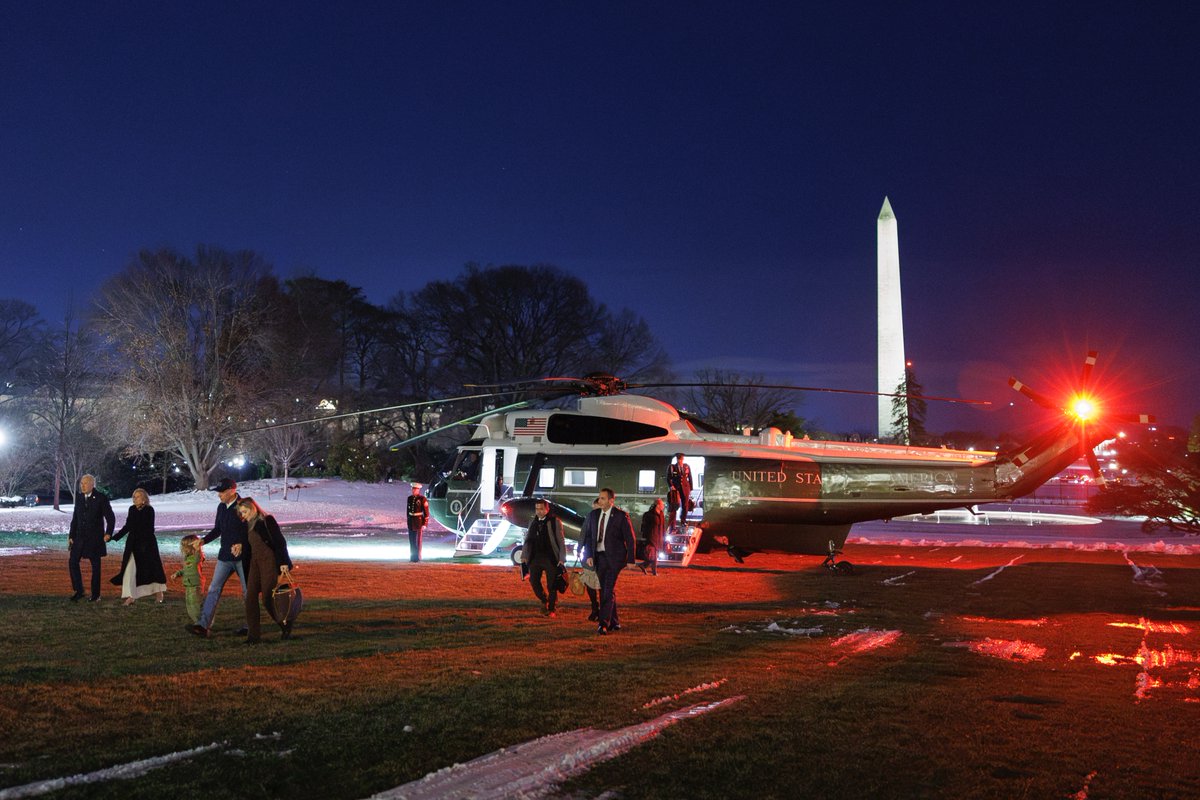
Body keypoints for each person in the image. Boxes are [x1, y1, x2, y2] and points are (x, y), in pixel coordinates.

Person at [189, 478, 249, 638]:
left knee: (247, 592)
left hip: (244, 558)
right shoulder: (221, 507)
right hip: (225, 556)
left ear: (232, 490)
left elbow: (253, 528)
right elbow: (218, 529)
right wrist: (204, 540)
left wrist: (242, 544)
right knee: (214, 589)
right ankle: (202, 625)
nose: (219, 495)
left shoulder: (245, 506)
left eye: (222, 492)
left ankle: (250, 626)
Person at [234, 497, 294, 643]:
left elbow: (280, 542)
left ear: (253, 508)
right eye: (241, 513)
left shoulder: (267, 521)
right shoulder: (246, 524)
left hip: (269, 561)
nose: (243, 515)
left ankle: (285, 624)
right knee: (250, 598)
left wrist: (283, 563)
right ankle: (253, 636)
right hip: (254, 563)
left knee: (268, 598)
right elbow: (247, 543)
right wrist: (239, 546)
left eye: (245, 511)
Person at [580, 487, 636, 635]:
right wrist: (589, 556)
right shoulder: (593, 515)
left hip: (615, 559)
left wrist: (631, 559)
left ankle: (603, 623)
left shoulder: (621, 516)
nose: (600, 500)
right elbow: (589, 537)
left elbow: (630, 539)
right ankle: (615, 622)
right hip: (599, 557)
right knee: (605, 590)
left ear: (612, 500)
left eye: (603, 498)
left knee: (607, 590)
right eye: (599, 498)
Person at [108, 488, 167, 605]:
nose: (134, 499)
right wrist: (115, 537)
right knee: (130, 569)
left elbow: (149, 528)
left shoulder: (149, 510)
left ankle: (159, 592)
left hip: (147, 544)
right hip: (132, 544)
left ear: (144, 498)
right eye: (134, 496)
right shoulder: (132, 509)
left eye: (138, 496)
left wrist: (144, 544)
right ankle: (132, 596)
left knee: (152, 569)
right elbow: (128, 526)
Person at [68, 474, 115, 602]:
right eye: (81, 483)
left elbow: (110, 517)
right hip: (79, 537)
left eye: (85, 483)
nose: (82, 486)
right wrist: (71, 535)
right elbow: (75, 518)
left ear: (92, 484)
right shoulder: (79, 498)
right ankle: (79, 590)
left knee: (95, 566)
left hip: (95, 539)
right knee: (72, 562)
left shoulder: (101, 498)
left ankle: (96, 594)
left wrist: (108, 533)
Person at [520, 498, 565, 617]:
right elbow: (528, 540)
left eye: (541, 509)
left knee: (552, 585)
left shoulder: (555, 521)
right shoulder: (533, 522)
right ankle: (544, 600)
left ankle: (551, 609)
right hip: (535, 558)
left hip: (550, 558)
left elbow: (561, 541)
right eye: (537, 509)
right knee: (533, 581)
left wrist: (562, 559)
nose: (538, 511)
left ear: (547, 509)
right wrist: (524, 555)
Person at [578, 498, 603, 621]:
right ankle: (598, 609)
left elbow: (584, 533)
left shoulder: (591, 516)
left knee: (591, 583)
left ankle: (595, 608)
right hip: (595, 554)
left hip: (591, 554)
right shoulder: (595, 516)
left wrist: (579, 549)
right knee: (597, 584)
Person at [172, 534, 206, 623]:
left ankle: (201, 622)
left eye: (185, 546)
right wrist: (177, 574)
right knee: (190, 605)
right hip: (188, 585)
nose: (183, 549)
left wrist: (198, 548)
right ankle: (197, 621)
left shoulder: (197, 557)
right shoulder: (187, 558)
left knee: (196, 605)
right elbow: (186, 569)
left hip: (195, 585)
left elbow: (200, 556)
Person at [638, 497, 665, 576]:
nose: (663, 506)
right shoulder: (649, 514)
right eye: (662, 504)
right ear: (658, 505)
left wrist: (663, 536)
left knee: (654, 555)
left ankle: (644, 566)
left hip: (659, 536)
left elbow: (662, 526)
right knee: (653, 555)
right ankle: (653, 571)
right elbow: (644, 526)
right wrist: (646, 536)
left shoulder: (661, 514)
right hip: (652, 536)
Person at [666, 453, 693, 530]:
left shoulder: (686, 466)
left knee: (685, 505)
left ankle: (683, 521)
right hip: (676, 489)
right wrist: (671, 486)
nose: (681, 461)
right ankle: (672, 524)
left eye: (682, 459)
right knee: (674, 506)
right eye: (679, 459)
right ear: (677, 459)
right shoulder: (672, 467)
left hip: (685, 488)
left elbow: (690, 477)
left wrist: (691, 489)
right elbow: (668, 478)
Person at [406, 483, 430, 562]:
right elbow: (408, 511)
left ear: (418, 490)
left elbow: (426, 512)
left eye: (415, 489)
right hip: (411, 522)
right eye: (412, 489)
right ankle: (412, 557)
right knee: (411, 541)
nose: (413, 490)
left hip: (418, 522)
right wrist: (408, 520)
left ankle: (417, 558)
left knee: (417, 541)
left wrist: (425, 523)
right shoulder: (409, 498)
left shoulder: (422, 499)